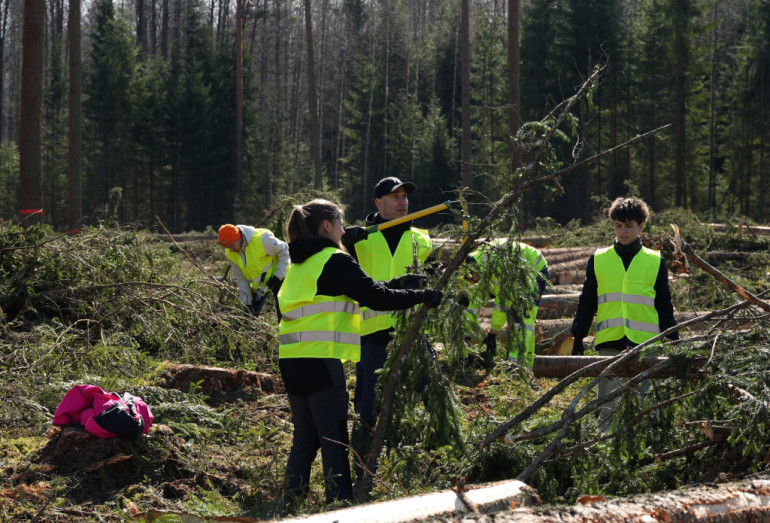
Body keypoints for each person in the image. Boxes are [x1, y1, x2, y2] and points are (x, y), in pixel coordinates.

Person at [277, 199, 442, 503]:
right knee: (335, 437)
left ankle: (291, 499)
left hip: (291, 360)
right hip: (320, 361)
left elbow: (360, 291)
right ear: (326, 226)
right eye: (339, 223)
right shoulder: (332, 259)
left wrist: (399, 284)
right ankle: (340, 503)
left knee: (306, 435)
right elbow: (375, 298)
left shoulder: (298, 264)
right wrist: (422, 295)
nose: (343, 230)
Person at [340, 177, 434, 480]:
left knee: (436, 396)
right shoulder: (358, 239)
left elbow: (431, 278)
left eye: (405, 195)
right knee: (367, 410)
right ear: (379, 204)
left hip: (413, 333)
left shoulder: (423, 239)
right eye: (395, 196)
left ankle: (442, 463)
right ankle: (363, 473)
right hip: (373, 336)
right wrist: (345, 240)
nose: (403, 200)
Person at [569, 196, 678, 428]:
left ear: (641, 226)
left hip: (647, 342)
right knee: (607, 405)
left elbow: (664, 305)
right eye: (619, 225)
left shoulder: (655, 261)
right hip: (610, 341)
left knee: (647, 404)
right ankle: (605, 451)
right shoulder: (599, 259)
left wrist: (673, 340)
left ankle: (649, 453)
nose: (623, 231)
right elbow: (588, 300)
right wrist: (578, 334)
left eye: (629, 226)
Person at [466, 239, 549, 366]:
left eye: (472, 279)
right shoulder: (480, 262)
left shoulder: (495, 265)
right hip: (516, 271)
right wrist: (469, 335)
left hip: (534, 270)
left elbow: (503, 302)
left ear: (474, 271)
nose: (473, 282)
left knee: (522, 317)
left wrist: (493, 333)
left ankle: (517, 363)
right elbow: (473, 305)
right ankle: (524, 362)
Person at [218, 224, 290, 317]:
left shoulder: (262, 239)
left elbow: (284, 251)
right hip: (260, 285)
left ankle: (286, 331)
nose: (231, 250)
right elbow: (240, 278)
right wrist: (246, 301)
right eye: (227, 247)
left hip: (280, 277)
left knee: (284, 312)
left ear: (239, 238)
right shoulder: (230, 253)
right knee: (251, 314)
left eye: (232, 245)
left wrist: (278, 276)